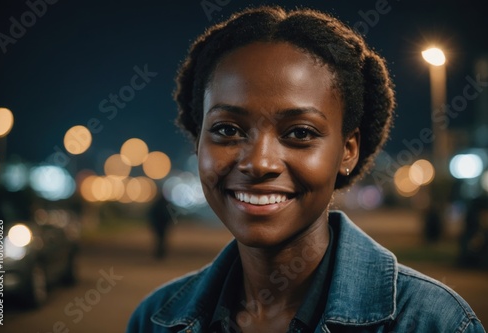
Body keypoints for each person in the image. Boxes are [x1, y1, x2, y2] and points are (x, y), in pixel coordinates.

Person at [127, 6, 485, 332]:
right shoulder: (154, 319)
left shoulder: (435, 323)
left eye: (300, 133)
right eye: (227, 130)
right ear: (198, 140)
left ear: (348, 151)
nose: (259, 162)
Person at [148, 193, 172, 259]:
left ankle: (160, 253)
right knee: (162, 239)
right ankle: (161, 253)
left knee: (159, 239)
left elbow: (152, 214)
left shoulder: (157, 204)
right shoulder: (166, 205)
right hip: (162, 225)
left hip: (159, 225)